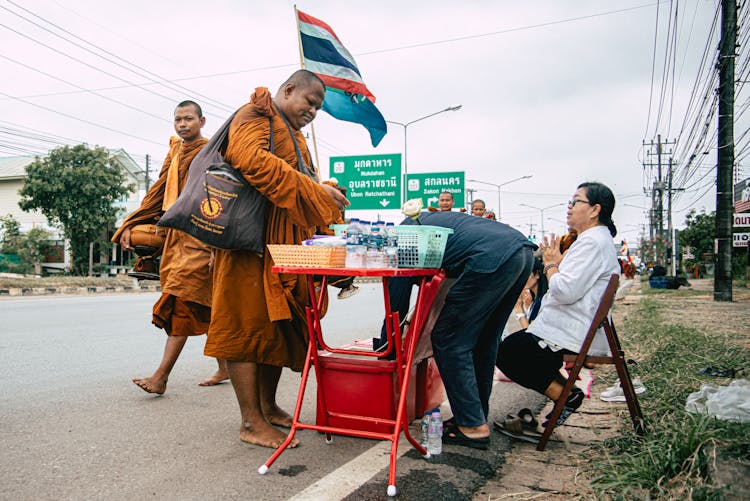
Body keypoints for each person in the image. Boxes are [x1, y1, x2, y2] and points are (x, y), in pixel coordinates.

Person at [203, 70, 348, 449]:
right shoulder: (255, 115)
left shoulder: (295, 135)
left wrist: (324, 190)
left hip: (282, 247)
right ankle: (250, 422)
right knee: (245, 330)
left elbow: (303, 181)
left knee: (276, 328)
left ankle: (267, 407)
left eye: (318, 107)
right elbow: (249, 160)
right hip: (248, 243)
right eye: (309, 102)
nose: (313, 111)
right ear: (288, 91)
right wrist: (314, 190)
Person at [380, 210, 534, 449]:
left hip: (491, 257)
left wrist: (385, 350)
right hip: (520, 253)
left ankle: (472, 426)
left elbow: (395, 307)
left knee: (449, 339)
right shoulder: (423, 226)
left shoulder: (402, 240)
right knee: (483, 340)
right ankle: (474, 417)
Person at [113, 100, 227, 395]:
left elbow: (220, 197)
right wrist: (130, 222)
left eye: (188, 119)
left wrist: (218, 245)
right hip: (176, 238)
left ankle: (161, 376)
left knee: (181, 302)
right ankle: (226, 366)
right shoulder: (175, 151)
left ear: (202, 121)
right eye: (177, 120)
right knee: (207, 305)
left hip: (202, 237)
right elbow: (158, 192)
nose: (182, 124)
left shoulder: (213, 152)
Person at [496, 182, 620, 430]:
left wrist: (552, 265)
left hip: (569, 330)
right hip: (569, 327)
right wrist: (560, 264)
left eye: (576, 201)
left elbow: (564, 291)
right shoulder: (593, 240)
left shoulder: (591, 242)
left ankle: (566, 397)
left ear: (595, 209)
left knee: (507, 352)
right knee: (518, 346)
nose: (569, 207)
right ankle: (567, 393)